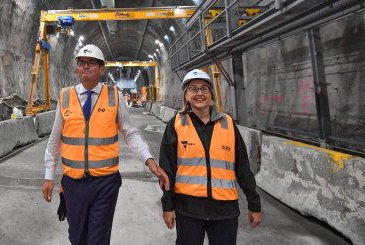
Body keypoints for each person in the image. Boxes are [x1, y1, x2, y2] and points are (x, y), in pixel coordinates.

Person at [42, 44, 170, 245]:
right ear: (77, 69)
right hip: (73, 183)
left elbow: (131, 133)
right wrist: (49, 175)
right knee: (77, 239)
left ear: (102, 69)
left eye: (91, 63)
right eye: (81, 63)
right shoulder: (65, 96)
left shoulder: (114, 96)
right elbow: (55, 138)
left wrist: (149, 160)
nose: (85, 66)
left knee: (98, 240)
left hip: (105, 183)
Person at [159, 69, 261, 245]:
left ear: (211, 94)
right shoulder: (176, 124)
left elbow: (243, 168)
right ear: (186, 95)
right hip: (188, 210)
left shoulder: (228, 124)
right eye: (193, 89)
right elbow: (166, 171)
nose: (199, 93)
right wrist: (167, 206)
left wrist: (254, 203)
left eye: (204, 89)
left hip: (225, 211)